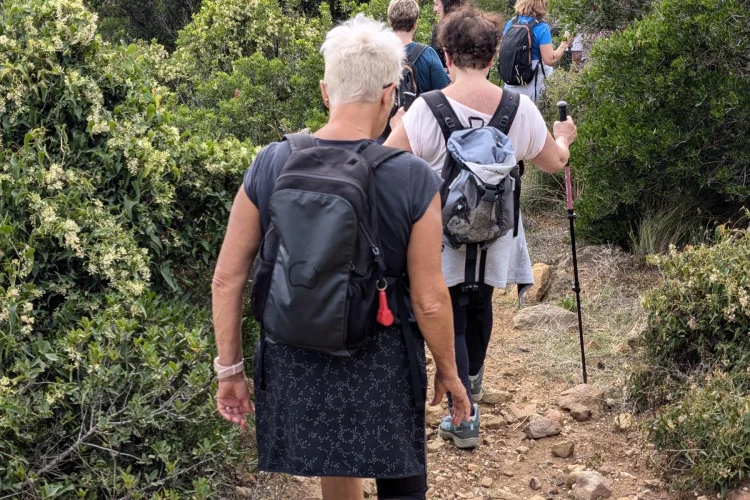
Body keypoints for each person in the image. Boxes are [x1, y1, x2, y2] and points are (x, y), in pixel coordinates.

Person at [211, 14, 470, 500]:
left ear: (326, 91)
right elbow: (431, 299)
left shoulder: (271, 161)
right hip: (381, 355)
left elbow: (227, 277)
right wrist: (450, 372)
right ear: (389, 95)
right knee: (401, 479)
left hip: (295, 352)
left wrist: (230, 370)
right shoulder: (413, 177)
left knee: (336, 460)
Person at [386, 7, 577, 449]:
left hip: (442, 231)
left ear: (446, 55)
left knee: (450, 307)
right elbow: (555, 162)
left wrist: (397, 127)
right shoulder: (519, 108)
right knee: (481, 302)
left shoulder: (427, 109)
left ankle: (463, 412)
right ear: (493, 57)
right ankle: (470, 391)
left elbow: (387, 164)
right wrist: (564, 136)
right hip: (497, 229)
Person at [502, 0, 571, 101]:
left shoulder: (511, 23)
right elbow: (550, 59)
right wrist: (564, 44)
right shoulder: (541, 27)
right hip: (533, 84)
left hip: (510, 85)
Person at [388, 0, 450, 95]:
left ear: (390, 22)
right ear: (415, 24)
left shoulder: (378, 55)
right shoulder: (428, 54)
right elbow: (445, 93)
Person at [430, 0, 466, 68]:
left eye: (436, 4)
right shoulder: (473, 27)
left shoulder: (440, 30)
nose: (434, 9)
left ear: (446, 5)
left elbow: (436, 66)